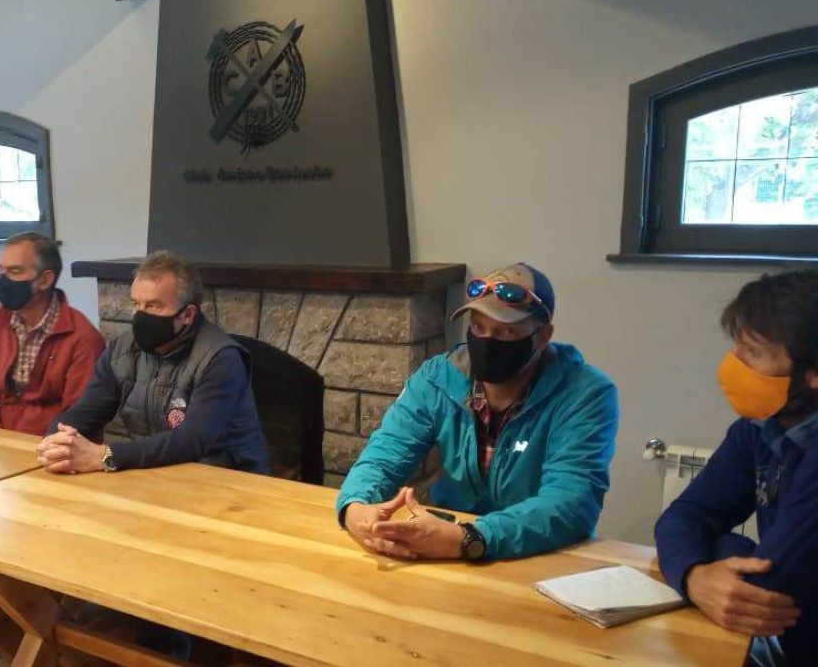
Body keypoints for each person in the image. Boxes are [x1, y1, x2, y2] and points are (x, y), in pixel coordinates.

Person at [336, 263, 618, 562]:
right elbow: (382, 456)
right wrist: (355, 508)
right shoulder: (437, 378)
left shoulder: (585, 394)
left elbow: (571, 503)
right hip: (445, 549)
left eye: (507, 331)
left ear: (543, 336)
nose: (487, 342)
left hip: (537, 556)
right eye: (478, 327)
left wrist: (469, 538)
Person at [655, 270, 818, 667]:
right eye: (738, 346)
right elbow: (682, 517)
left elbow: (765, 587)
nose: (734, 363)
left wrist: (727, 550)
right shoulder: (759, 428)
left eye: (753, 352)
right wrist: (695, 574)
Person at [34, 249, 269, 476]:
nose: (140, 315)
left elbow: (191, 441)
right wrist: (56, 441)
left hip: (227, 479)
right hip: (155, 472)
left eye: (153, 306)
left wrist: (106, 456)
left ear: (188, 314)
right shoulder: (122, 349)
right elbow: (87, 411)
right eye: (136, 304)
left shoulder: (221, 358)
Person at [0, 232, 105, 436]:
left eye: (15, 271)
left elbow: (78, 418)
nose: (4, 279)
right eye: (1, 270)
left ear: (45, 280)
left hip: (55, 445)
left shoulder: (82, 337)